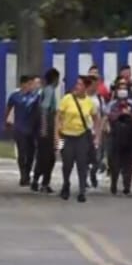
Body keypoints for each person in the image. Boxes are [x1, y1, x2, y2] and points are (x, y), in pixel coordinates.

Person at [56, 75, 99, 203]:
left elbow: (97, 119)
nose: (77, 86)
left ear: (86, 87)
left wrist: (96, 136)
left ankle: (82, 190)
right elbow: (58, 118)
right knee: (66, 162)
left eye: (80, 84)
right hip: (65, 136)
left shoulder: (89, 102)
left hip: (82, 136)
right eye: (77, 83)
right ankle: (66, 184)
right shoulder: (67, 99)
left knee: (82, 163)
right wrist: (57, 138)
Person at [4, 75, 43, 187]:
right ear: (23, 84)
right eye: (29, 84)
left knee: (31, 153)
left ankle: (28, 172)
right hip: (19, 129)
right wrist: (6, 121)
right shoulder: (15, 96)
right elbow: (8, 108)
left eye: (32, 84)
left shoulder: (35, 97)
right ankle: (23, 175)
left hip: (31, 130)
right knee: (22, 153)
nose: (31, 86)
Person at [32, 69, 61, 193]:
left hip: (49, 129)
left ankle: (39, 181)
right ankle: (42, 182)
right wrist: (44, 128)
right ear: (55, 79)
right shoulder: (49, 90)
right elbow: (44, 109)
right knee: (48, 157)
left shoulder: (46, 90)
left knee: (45, 156)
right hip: (48, 129)